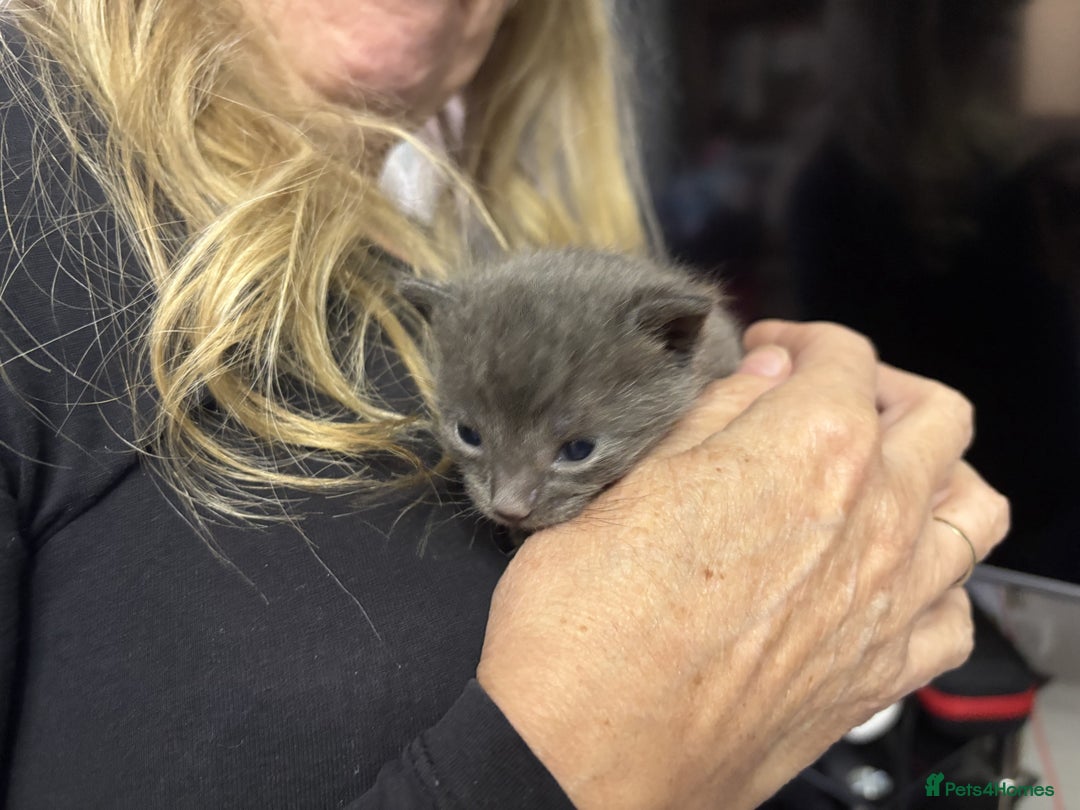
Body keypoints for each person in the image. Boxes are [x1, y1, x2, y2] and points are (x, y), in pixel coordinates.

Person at [0, 1, 1008, 807]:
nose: (508, 501)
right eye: (472, 442)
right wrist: (603, 756)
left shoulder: (457, 282)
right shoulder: (29, 161)